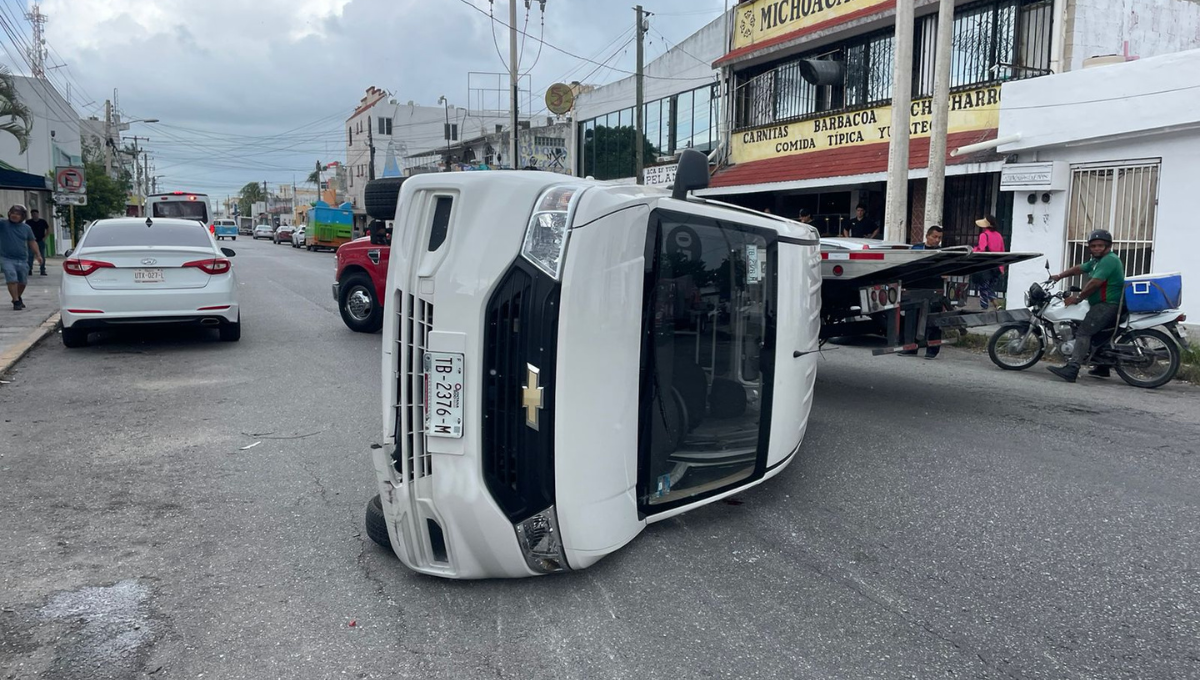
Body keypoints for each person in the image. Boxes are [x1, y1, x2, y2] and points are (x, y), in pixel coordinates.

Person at [1047, 229, 1125, 383]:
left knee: (1083, 332)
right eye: (1093, 245)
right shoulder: (1097, 261)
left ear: (1108, 246)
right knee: (1097, 335)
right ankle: (1102, 367)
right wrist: (1059, 276)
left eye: (1100, 245)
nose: (1096, 248)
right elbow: (1079, 268)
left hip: (1107, 305)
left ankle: (1072, 368)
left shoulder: (1109, 260)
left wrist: (1078, 298)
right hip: (1103, 304)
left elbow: (1095, 283)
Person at [1, 204, 43, 310]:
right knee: (11, 278)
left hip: (22, 259)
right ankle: (16, 301)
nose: (14, 215)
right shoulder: (3, 224)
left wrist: (38, 254)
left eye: (18, 214)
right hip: (6, 258)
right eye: (13, 213)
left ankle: (17, 296)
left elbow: (32, 241)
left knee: (22, 282)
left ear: (23, 216)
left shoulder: (26, 228)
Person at [972, 214, 1006, 309]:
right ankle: (997, 305)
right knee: (989, 287)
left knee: (983, 288)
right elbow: (1002, 251)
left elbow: (982, 250)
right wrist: (1002, 268)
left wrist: (974, 250)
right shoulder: (999, 236)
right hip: (996, 267)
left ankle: (984, 308)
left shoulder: (984, 235)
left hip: (986, 266)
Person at [26, 208, 49, 276]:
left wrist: (45, 238)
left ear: (38, 214)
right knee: (30, 256)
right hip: (31, 241)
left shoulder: (42, 222)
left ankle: (42, 270)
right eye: (33, 214)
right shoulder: (28, 222)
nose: (34, 215)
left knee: (42, 256)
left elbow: (48, 229)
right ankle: (29, 269)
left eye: (35, 214)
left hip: (40, 241)